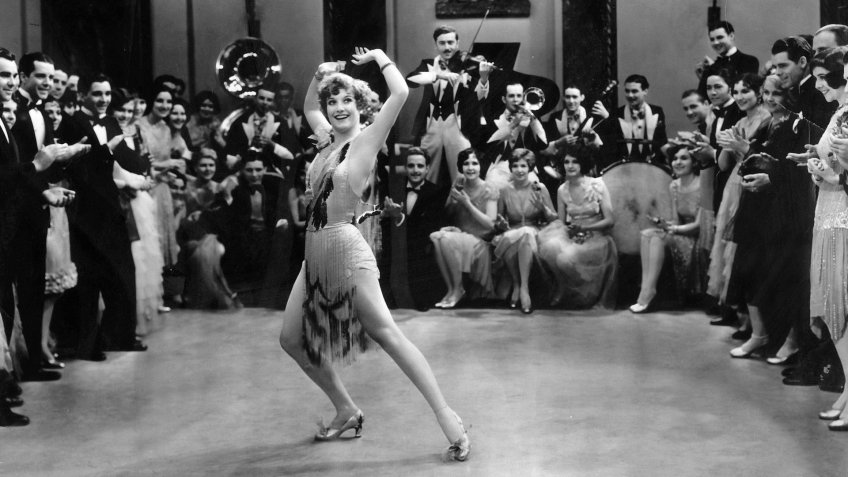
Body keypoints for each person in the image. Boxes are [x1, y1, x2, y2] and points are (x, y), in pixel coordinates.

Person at [277, 48, 470, 461]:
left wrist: (380, 57)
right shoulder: (325, 139)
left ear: (360, 105)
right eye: (333, 101)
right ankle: (346, 409)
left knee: (387, 334)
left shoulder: (366, 140)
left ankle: (448, 418)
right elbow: (309, 105)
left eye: (347, 99)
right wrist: (319, 74)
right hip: (315, 252)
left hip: (346, 250)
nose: (338, 107)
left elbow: (400, 93)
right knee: (291, 339)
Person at [724, 73, 812, 360]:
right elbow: (753, 163)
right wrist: (744, 152)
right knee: (748, 270)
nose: (771, 99)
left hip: (779, 210)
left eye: (777, 93)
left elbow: (784, 169)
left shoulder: (794, 125)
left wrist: (747, 150)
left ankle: (790, 340)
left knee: (780, 275)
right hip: (756, 206)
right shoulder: (766, 124)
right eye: (767, 93)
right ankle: (758, 334)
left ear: (789, 96)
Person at [709, 73, 770, 326]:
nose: (739, 96)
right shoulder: (740, 121)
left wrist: (741, 147)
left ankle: (750, 321)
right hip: (733, 184)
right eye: (736, 92)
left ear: (759, 92)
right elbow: (723, 165)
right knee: (727, 245)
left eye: (745, 91)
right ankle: (736, 313)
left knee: (743, 249)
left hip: (751, 184)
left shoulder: (766, 119)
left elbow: (759, 159)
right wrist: (727, 145)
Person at [406, 25, 491, 186]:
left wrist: (484, 78)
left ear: (457, 43)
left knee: (462, 169)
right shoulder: (428, 64)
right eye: (442, 43)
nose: (447, 47)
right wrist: (439, 75)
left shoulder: (467, 66)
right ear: (436, 45)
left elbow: (480, 96)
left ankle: (463, 200)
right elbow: (410, 80)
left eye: (451, 42)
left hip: (457, 125)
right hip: (431, 124)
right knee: (425, 171)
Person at [111, 89, 165, 333]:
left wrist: (144, 175)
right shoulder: (111, 134)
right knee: (131, 256)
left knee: (143, 256)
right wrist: (137, 181)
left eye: (128, 111)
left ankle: (139, 313)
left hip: (137, 199)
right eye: (120, 110)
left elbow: (143, 162)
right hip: (123, 197)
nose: (125, 115)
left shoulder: (135, 133)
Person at [538, 148, 617, 309]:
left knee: (565, 258)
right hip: (574, 235)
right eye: (566, 162)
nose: (570, 166)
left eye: (575, 161)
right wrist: (547, 212)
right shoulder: (562, 190)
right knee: (551, 246)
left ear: (583, 163)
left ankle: (587, 292)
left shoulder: (597, 185)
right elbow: (561, 223)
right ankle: (562, 287)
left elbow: (610, 220)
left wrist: (585, 227)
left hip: (596, 236)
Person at [629, 145, 701, 313]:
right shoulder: (674, 185)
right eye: (675, 158)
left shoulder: (702, 184)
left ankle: (649, 291)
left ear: (694, 162)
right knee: (647, 234)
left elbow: (699, 225)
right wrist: (664, 224)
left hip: (696, 236)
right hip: (680, 231)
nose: (678, 162)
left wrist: (673, 229)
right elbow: (675, 219)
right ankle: (645, 288)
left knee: (656, 238)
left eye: (684, 158)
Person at [818, 48, 848, 428]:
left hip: (842, 213)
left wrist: (836, 175)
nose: (818, 84)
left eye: (825, 76)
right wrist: (819, 164)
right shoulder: (839, 113)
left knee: (837, 304)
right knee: (832, 304)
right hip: (828, 208)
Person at [381, 147, 448, 311]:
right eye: (411, 166)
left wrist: (399, 218)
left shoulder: (436, 192)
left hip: (420, 249)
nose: (415, 170)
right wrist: (386, 214)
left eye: (420, 166)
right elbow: (384, 224)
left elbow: (429, 227)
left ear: (427, 168)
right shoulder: (393, 189)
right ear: (405, 168)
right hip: (394, 247)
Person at [429, 148, 497, 308]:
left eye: (474, 163)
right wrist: (454, 202)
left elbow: (490, 224)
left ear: (481, 166)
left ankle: (458, 289)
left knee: (444, 239)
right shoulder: (459, 183)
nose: (470, 167)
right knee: (435, 236)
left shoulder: (489, 188)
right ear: (461, 166)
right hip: (461, 236)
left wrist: (467, 203)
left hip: (480, 242)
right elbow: (449, 211)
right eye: (466, 163)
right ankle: (451, 289)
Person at [492, 148, 557, 314]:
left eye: (523, 166)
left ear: (530, 168)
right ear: (511, 168)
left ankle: (524, 288)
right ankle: (516, 283)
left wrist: (543, 208)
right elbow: (500, 220)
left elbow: (554, 219)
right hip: (512, 232)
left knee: (526, 233)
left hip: (534, 232)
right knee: (514, 236)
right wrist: (501, 224)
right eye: (515, 166)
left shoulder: (539, 188)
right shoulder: (504, 190)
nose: (519, 170)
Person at [482, 81, 547, 191]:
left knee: (536, 189)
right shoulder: (494, 119)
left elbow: (543, 144)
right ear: (504, 99)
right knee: (491, 187)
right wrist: (514, 124)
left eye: (519, 96)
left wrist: (532, 119)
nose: (516, 100)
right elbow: (489, 145)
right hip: (500, 168)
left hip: (525, 167)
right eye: (511, 96)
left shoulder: (531, 120)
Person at [595, 74, 667, 170]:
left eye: (634, 91)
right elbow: (611, 145)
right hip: (625, 168)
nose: (630, 95)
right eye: (627, 91)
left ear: (645, 91)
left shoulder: (657, 111)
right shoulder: (617, 113)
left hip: (651, 168)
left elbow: (661, 141)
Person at [695, 21, 760, 95]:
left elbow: (741, 91)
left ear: (731, 36)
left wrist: (715, 67)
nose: (715, 42)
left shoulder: (749, 61)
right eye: (712, 39)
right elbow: (702, 96)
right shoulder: (711, 67)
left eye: (720, 37)